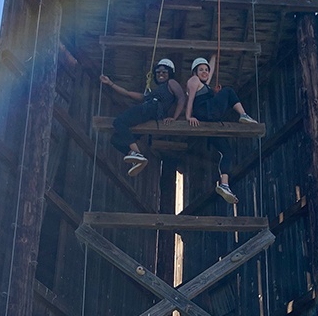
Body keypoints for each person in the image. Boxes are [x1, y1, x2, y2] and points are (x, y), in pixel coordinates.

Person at [183, 54, 258, 204]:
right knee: (229, 91)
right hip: (204, 111)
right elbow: (190, 98)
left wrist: (214, 57)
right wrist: (188, 117)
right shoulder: (194, 80)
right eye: (201, 70)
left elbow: (210, 72)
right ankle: (243, 115)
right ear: (195, 72)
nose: (204, 72)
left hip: (211, 118)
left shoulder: (204, 84)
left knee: (227, 152)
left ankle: (224, 184)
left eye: (206, 70)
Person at [100, 59, 186, 176]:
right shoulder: (152, 94)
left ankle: (137, 153)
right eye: (158, 72)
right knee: (116, 140)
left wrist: (174, 118)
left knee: (119, 122)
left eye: (164, 72)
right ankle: (136, 157)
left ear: (170, 73)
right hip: (148, 110)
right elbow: (127, 93)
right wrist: (110, 83)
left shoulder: (171, 83)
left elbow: (181, 98)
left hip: (151, 109)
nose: (160, 74)